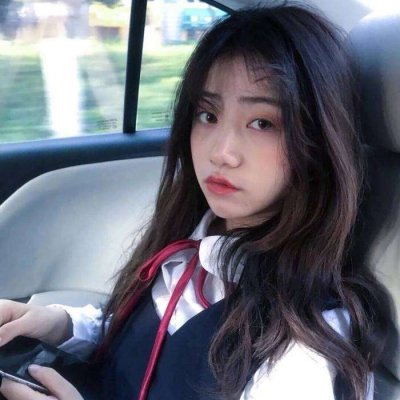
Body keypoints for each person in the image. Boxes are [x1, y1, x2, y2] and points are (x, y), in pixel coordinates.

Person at [0, 3, 392, 400]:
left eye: (263, 123)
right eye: (208, 115)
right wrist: (58, 325)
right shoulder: (188, 244)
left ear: (317, 145)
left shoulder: (303, 344)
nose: (221, 152)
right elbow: (147, 339)